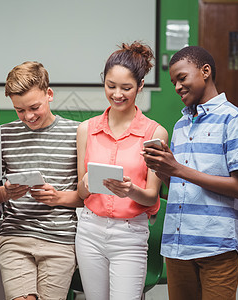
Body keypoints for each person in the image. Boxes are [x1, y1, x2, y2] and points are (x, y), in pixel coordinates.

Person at [143, 46, 238, 300]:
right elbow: (181, 185)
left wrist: (178, 168)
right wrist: (163, 170)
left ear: (205, 72)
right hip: (177, 245)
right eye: (173, 83)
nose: (177, 87)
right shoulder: (181, 124)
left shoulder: (234, 119)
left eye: (182, 78)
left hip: (216, 247)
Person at [75, 42, 168, 300]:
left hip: (130, 234)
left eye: (126, 88)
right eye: (110, 86)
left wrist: (130, 190)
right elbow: (81, 193)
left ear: (140, 86)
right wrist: (86, 183)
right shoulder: (86, 129)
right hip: (90, 231)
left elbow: (152, 198)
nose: (117, 94)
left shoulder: (154, 133)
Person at [0, 61, 82, 300]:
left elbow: (87, 198)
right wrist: (7, 192)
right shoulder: (4, 134)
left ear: (49, 94)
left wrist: (58, 197)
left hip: (60, 238)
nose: (28, 116)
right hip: (16, 235)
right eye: (19, 110)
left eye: (34, 107)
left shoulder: (77, 133)